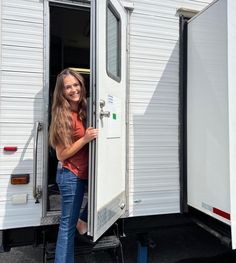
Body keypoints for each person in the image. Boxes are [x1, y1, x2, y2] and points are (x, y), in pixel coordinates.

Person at [49, 68, 98, 263]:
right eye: (68, 87)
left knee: (103, 199)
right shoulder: (63, 115)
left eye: (76, 85)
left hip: (85, 172)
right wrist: (85, 138)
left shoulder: (83, 108)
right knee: (66, 227)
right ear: (61, 92)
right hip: (70, 174)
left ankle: (83, 221)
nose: (73, 90)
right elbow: (62, 154)